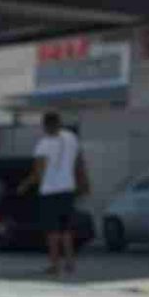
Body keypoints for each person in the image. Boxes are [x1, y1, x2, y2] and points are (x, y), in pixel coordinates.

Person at [18, 110, 88, 275]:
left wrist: (24, 185)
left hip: (50, 191)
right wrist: (84, 183)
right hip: (68, 189)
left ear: (46, 125)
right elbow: (79, 163)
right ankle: (70, 263)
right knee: (66, 229)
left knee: (52, 231)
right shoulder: (71, 138)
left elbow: (38, 172)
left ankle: (54, 264)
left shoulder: (44, 144)